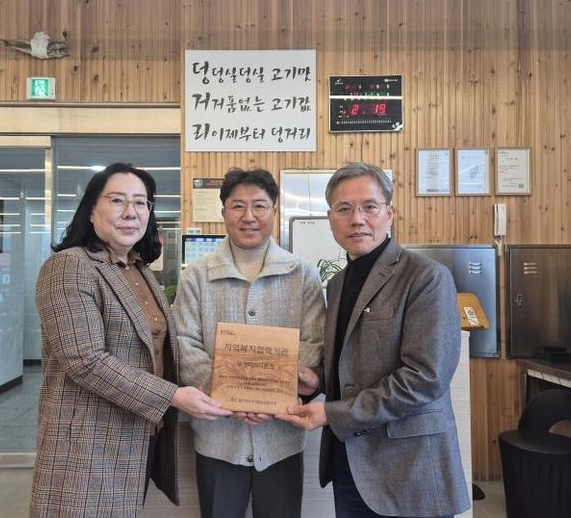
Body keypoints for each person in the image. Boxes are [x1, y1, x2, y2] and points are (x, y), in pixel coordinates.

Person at [30, 162, 231, 517]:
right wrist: (173, 396)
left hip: (138, 436)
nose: (130, 212)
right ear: (91, 210)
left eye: (141, 202)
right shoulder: (69, 265)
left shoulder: (138, 269)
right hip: (87, 444)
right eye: (117, 200)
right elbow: (85, 360)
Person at [276, 162, 470, 518]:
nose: (357, 219)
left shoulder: (426, 277)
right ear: (330, 218)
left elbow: (424, 378)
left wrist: (332, 413)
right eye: (344, 209)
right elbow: (351, 361)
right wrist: (317, 379)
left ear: (389, 213)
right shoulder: (337, 283)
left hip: (408, 467)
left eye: (369, 206)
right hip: (349, 464)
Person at [174, 168, 325, 518]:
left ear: (274, 210)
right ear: (223, 211)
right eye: (238, 206)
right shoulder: (196, 276)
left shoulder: (302, 274)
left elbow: (314, 342)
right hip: (217, 439)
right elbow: (184, 344)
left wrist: (270, 396)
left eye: (259, 205)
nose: (249, 216)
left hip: (281, 437)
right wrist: (229, 394)